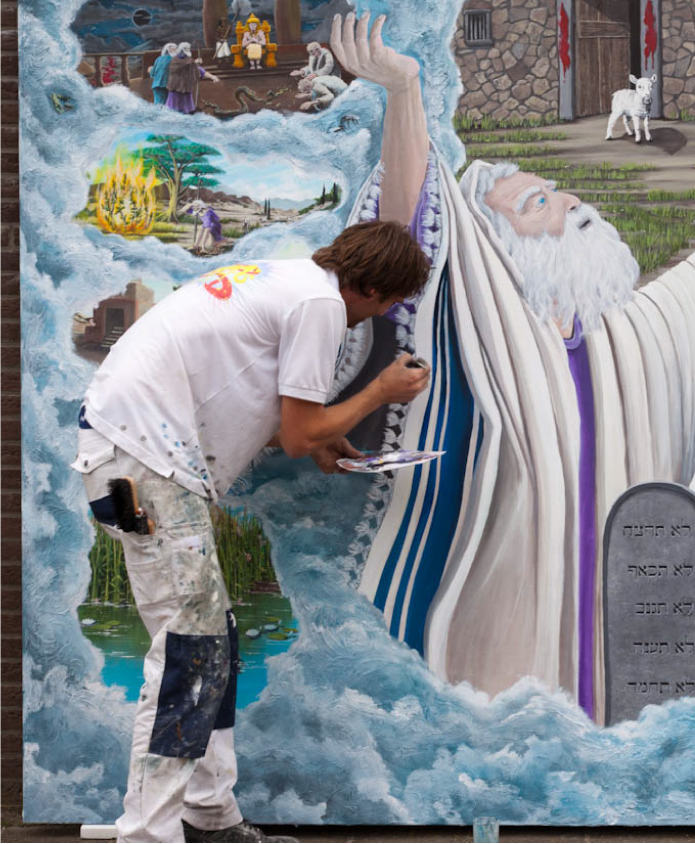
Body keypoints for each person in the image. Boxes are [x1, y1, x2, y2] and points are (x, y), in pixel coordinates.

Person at [327, 13, 695, 723]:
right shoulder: (487, 344)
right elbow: (413, 235)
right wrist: (405, 93)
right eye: (538, 205)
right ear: (497, 254)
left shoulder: (624, 334)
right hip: (509, 630)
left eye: (558, 192)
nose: (571, 203)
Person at [72, 221, 433, 843]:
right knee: (191, 650)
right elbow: (298, 433)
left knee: (212, 642)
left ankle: (209, 816)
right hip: (147, 461)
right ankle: (147, 834)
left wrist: (322, 441)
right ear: (373, 288)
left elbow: (280, 417)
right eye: (391, 301)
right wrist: (379, 391)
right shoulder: (321, 304)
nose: (383, 314)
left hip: (135, 452)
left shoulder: (289, 282)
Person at [166, 43, 219, 115]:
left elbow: (198, 69)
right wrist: (194, 62)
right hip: (176, 88)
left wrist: (212, 76)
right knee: (172, 110)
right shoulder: (175, 60)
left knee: (187, 111)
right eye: (186, 49)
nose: (188, 50)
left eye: (189, 49)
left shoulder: (189, 61)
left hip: (185, 88)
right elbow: (182, 66)